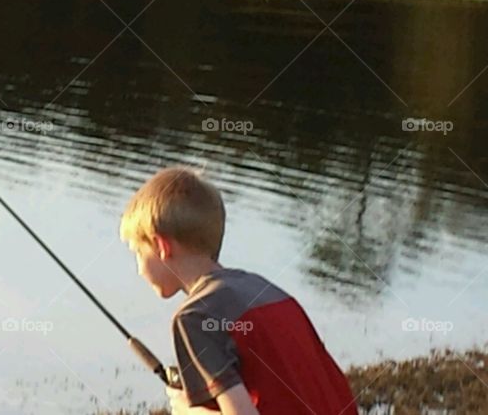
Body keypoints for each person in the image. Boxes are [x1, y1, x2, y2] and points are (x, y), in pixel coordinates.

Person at [120, 166, 358, 414]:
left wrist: (188, 410)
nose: (138, 269)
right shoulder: (266, 290)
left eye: (138, 252)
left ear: (161, 246)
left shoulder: (195, 317)